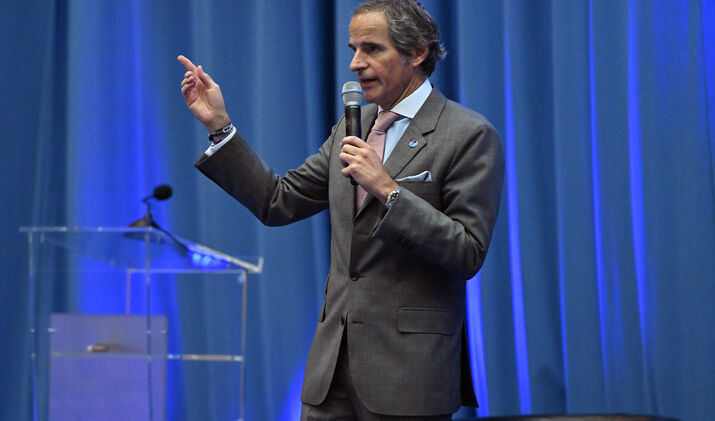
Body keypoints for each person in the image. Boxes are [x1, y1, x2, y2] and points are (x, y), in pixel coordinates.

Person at [178, 0, 504, 419]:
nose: (355, 64)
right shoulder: (352, 128)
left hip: (409, 377)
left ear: (417, 52)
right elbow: (278, 201)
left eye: (372, 49)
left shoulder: (468, 134)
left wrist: (388, 190)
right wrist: (220, 127)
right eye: (354, 49)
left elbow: (467, 251)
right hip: (330, 376)